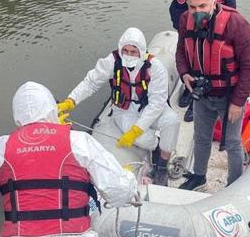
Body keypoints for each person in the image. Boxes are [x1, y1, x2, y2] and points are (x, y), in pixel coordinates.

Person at [0, 81, 137, 237]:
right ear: (52, 108)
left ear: (16, 114)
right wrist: (128, 177)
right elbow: (119, 192)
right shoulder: (78, 141)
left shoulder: (0, 148)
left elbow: (16, 178)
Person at [58, 28, 180, 186]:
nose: (129, 55)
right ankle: (156, 146)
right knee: (141, 139)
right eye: (126, 50)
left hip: (150, 107)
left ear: (141, 51)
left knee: (172, 121)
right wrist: (71, 100)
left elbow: (157, 103)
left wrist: (138, 127)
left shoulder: (155, 68)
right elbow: (91, 82)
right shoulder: (112, 62)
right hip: (124, 111)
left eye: (133, 51)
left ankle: (162, 166)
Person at [175, 0, 250, 190]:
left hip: (229, 95)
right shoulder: (185, 20)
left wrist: (238, 102)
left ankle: (235, 183)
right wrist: (184, 73)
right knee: (201, 137)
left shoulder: (236, 24)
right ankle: (199, 176)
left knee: (232, 142)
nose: (197, 12)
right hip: (201, 94)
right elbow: (181, 52)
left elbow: (249, 66)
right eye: (192, 7)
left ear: (213, 2)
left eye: (202, 6)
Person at [161, 0, 237, 122]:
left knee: (206, 51)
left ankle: (202, 93)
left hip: (209, 15)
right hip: (184, 12)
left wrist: (232, 18)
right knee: (188, 49)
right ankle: (189, 87)